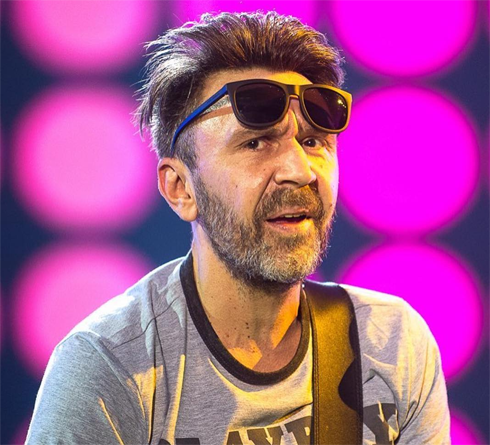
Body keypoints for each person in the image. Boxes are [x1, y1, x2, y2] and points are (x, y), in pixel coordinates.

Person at [26, 11, 450, 445]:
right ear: (180, 189)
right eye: (256, 143)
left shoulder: (391, 344)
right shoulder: (109, 368)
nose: (300, 171)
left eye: (312, 142)